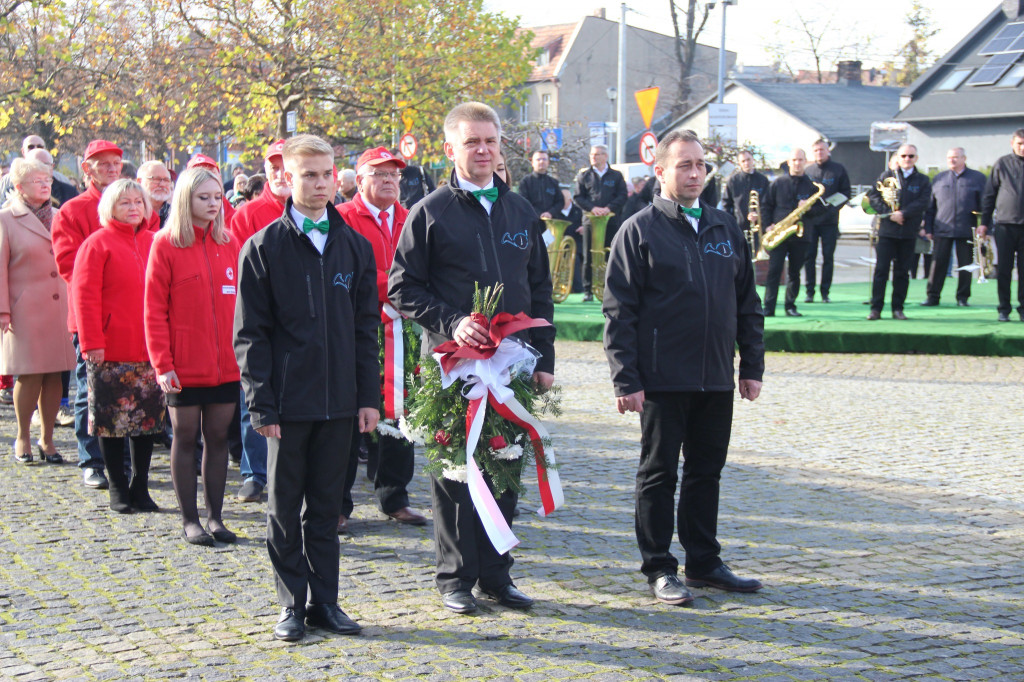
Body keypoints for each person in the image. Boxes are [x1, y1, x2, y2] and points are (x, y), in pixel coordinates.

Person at [389, 101, 555, 615]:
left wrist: (545, 359)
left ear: (500, 145)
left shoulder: (521, 211)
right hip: (453, 365)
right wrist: (451, 319)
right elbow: (402, 286)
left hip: (513, 366)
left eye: (490, 141)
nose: (483, 150)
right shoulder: (430, 211)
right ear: (450, 150)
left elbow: (541, 290)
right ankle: (455, 577)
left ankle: (495, 575)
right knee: (455, 473)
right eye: (471, 142)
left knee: (505, 465)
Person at [602, 129, 765, 606]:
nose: (695, 174)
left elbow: (747, 303)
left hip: (715, 376)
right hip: (660, 379)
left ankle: (704, 562)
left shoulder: (724, 227)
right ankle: (658, 567)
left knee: (705, 471)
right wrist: (626, 378)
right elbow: (619, 312)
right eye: (684, 166)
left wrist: (751, 365)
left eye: (700, 165)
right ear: (660, 170)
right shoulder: (639, 230)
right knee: (658, 474)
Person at [234, 134, 379, 642]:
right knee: (282, 508)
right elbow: (251, 334)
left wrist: (368, 398)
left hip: (340, 403)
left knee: (326, 509)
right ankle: (290, 605)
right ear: (286, 179)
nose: (320, 184)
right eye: (308, 175)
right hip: (287, 404)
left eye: (326, 174)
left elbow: (366, 330)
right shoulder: (263, 248)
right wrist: (261, 402)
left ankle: (327, 602)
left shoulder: (355, 247)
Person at [145, 167, 241, 546]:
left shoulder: (230, 242)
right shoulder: (165, 244)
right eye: (204, 198)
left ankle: (216, 517)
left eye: (218, 197)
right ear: (186, 199)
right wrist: (162, 364)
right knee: (185, 438)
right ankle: (190, 520)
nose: (214, 205)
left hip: (225, 365)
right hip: (182, 366)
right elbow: (154, 310)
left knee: (218, 438)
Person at [337, 146, 427, 531]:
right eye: (380, 174)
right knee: (347, 415)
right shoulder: (341, 219)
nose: (390, 181)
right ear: (360, 181)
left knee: (402, 412)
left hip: (404, 332)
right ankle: (337, 503)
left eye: (395, 175)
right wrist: (393, 285)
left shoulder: (412, 218)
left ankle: (394, 496)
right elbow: (341, 273)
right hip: (356, 329)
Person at [71, 179, 164, 513]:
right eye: (125, 202)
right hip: (110, 348)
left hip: (150, 349)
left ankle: (140, 486)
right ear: (111, 206)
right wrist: (92, 341)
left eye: (138, 201)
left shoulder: (156, 242)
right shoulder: (97, 244)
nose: (134, 207)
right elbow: (84, 296)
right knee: (111, 423)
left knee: (146, 422)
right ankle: (117, 487)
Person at [52, 139, 124, 490]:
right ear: (87, 168)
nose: (111, 169)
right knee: (89, 390)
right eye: (104, 164)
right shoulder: (73, 211)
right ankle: (91, 459)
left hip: (130, 318)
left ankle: (121, 458)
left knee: (127, 389)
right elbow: (70, 268)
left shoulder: (131, 203)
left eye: (116, 164)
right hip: (92, 315)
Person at [0, 158, 77, 464]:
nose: (45, 185)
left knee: (55, 375)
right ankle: (22, 437)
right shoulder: (6, 219)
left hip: (61, 307)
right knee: (30, 375)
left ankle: (48, 439)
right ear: (19, 187)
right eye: (37, 181)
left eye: (47, 180)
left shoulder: (60, 215)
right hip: (24, 309)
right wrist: (3, 311)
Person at [228, 141, 288, 503]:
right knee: (255, 393)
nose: (281, 174)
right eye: (275, 167)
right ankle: (255, 472)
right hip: (262, 319)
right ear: (265, 171)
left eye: (287, 166)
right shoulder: (247, 214)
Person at [866, 144, 931, 320]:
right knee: (881, 271)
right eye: (903, 156)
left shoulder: (923, 180)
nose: (907, 159)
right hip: (887, 231)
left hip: (908, 232)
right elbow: (873, 197)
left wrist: (903, 213)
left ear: (916, 158)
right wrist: (890, 214)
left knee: (902, 272)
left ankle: (898, 308)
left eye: (911, 156)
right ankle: (876, 308)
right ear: (898, 157)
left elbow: (924, 202)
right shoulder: (886, 176)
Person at [761, 148, 825, 317]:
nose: (797, 163)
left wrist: (808, 208)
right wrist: (767, 225)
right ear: (789, 162)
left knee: (794, 272)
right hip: (779, 233)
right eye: (794, 160)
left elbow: (820, 211)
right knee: (774, 271)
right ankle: (769, 307)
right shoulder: (777, 183)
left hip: (801, 234)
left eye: (800, 160)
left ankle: (790, 306)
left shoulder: (811, 185)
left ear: (805, 162)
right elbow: (766, 206)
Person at [921, 148, 987, 307]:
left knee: (966, 265)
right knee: (937, 265)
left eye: (956, 157)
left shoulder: (977, 178)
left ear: (964, 158)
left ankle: (962, 298)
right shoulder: (939, 178)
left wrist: (984, 225)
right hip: (942, 228)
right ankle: (933, 297)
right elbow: (930, 207)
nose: (952, 160)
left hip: (967, 229)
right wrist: (928, 228)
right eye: (949, 157)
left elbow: (985, 205)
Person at [573, 144, 628, 302]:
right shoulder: (584, 176)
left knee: (610, 254)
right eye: (592, 154)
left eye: (597, 154)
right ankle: (588, 290)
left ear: (605, 156)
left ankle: (609, 288)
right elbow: (578, 197)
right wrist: (593, 208)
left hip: (610, 220)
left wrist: (608, 208)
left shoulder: (616, 176)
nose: (593, 157)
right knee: (589, 255)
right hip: (591, 220)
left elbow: (623, 195)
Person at [980, 129, 1024, 322]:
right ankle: (1004, 309)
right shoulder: (1002, 164)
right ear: (1012, 143)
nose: (1023, 147)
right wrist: (984, 223)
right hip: (1005, 225)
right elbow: (989, 196)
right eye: (1019, 143)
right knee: (1004, 270)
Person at [803, 140, 850, 303]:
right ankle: (810, 292)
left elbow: (845, 193)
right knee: (809, 257)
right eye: (815, 150)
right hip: (811, 221)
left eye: (821, 150)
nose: (819, 153)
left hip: (830, 221)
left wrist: (831, 209)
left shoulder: (838, 169)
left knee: (828, 257)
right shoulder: (808, 171)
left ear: (828, 151)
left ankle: (825, 292)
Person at [721, 150, 770, 254]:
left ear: (753, 160)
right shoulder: (733, 181)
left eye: (748, 160)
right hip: (739, 228)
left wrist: (758, 215)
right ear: (739, 163)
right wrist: (732, 224)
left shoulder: (763, 180)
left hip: (760, 228)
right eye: (743, 161)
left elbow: (768, 203)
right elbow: (726, 204)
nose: (746, 163)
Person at [517, 150, 562, 219]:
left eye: (544, 159)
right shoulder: (525, 182)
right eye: (538, 159)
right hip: (531, 222)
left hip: (551, 223)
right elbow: (523, 202)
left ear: (548, 162)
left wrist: (550, 213)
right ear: (532, 163)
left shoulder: (554, 182)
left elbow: (560, 202)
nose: (541, 161)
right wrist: (539, 214)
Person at [137, 161, 174, 229]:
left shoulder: (176, 214)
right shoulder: (132, 212)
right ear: (139, 182)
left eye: (166, 180)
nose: (162, 184)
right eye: (156, 179)